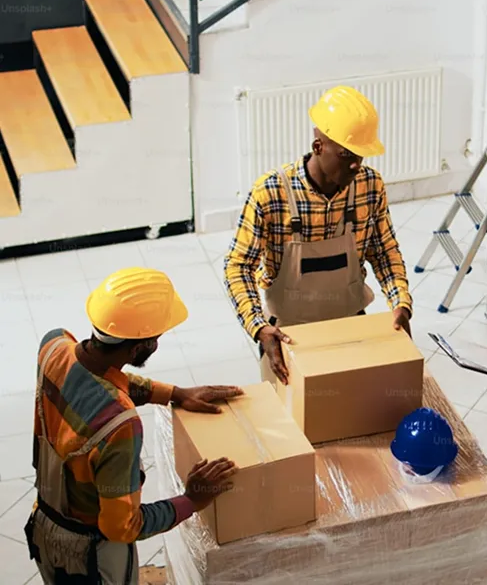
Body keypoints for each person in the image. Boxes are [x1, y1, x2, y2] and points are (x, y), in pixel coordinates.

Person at [24, 267, 242, 584]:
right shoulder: (120, 425)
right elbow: (122, 527)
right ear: (141, 347)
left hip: (45, 526)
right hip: (90, 559)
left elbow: (96, 380)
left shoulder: (54, 345)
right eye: (156, 338)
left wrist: (175, 394)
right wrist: (192, 500)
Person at [224, 85, 413, 385]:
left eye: (361, 156)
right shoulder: (269, 194)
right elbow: (237, 267)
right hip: (288, 337)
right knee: (292, 422)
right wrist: (258, 328)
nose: (356, 165)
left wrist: (400, 301)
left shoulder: (370, 186)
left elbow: (384, 251)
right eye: (346, 155)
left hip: (350, 328)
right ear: (318, 146)